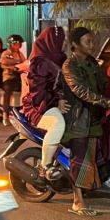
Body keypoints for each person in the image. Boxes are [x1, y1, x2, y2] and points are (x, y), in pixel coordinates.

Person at [63, 26, 110, 215]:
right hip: (78, 119)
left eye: (92, 41)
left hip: (94, 118)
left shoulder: (92, 63)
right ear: (75, 44)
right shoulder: (70, 65)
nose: (92, 45)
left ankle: (91, 189)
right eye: (87, 41)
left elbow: (105, 84)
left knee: (92, 157)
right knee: (79, 159)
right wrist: (104, 101)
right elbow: (80, 90)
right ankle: (77, 201)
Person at [21, 27, 69, 173]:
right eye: (62, 40)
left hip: (54, 101)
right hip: (39, 105)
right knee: (57, 124)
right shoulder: (39, 62)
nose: (65, 43)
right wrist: (57, 101)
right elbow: (38, 92)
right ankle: (46, 165)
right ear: (52, 41)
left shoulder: (60, 58)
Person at [0, 34, 27, 126]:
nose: (17, 46)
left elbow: (25, 62)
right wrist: (12, 67)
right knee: (8, 93)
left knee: (26, 91)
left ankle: (23, 112)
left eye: (19, 44)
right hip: (9, 77)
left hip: (19, 77)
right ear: (10, 44)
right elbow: (2, 64)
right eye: (15, 44)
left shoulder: (20, 54)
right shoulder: (6, 53)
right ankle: (5, 115)